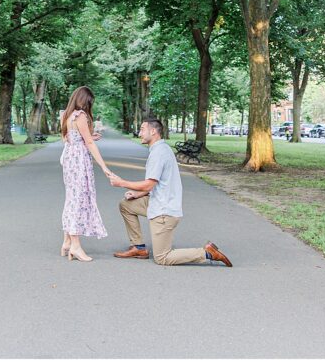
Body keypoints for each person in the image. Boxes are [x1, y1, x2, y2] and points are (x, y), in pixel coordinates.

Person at [108, 119, 232, 267]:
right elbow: (156, 184)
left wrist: (121, 182)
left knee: (162, 258)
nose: (139, 133)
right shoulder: (161, 149)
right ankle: (138, 248)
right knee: (126, 205)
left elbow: (149, 183)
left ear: (153, 131)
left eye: (142, 129)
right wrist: (138, 194)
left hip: (164, 212)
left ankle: (207, 253)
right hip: (159, 202)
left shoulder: (159, 153)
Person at [59, 86, 113, 262]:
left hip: (69, 159)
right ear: (85, 100)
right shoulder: (81, 115)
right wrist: (104, 166)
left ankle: (67, 241)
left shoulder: (67, 114)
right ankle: (75, 245)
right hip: (79, 161)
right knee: (79, 200)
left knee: (72, 198)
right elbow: (88, 143)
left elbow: (70, 137)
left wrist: (89, 136)